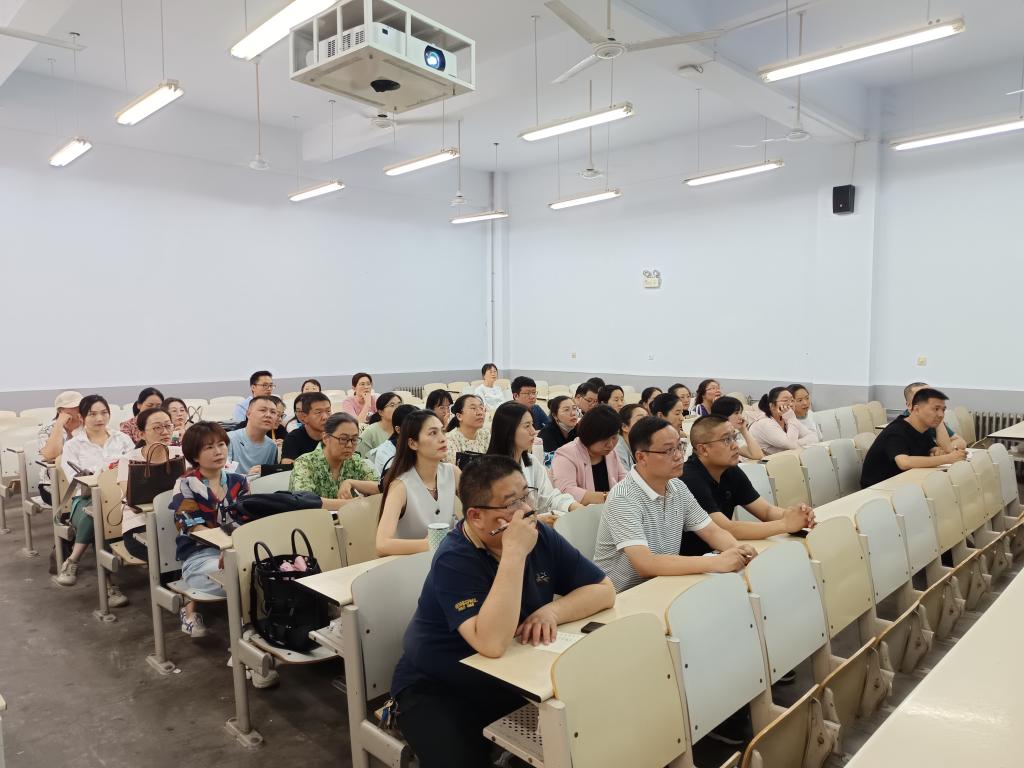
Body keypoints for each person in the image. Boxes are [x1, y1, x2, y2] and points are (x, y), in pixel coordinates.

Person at [390, 455, 615, 768]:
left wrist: (552, 611)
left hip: (510, 677)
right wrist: (513, 553)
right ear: (476, 516)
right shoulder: (455, 558)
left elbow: (604, 590)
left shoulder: (539, 534)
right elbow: (491, 643)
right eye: (512, 503)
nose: (526, 510)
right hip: (438, 686)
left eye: (526, 495)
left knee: (588, 736)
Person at [593, 416, 758, 592]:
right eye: (668, 451)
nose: (679, 456)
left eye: (679, 446)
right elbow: (645, 564)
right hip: (623, 595)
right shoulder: (623, 497)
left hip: (663, 584)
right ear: (641, 457)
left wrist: (737, 550)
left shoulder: (677, 487)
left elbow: (712, 531)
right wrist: (716, 562)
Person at [170, 423, 264, 658]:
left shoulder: (239, 481)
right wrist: (227, 547)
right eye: (209, 447)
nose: (218, 451)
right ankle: (245, 644)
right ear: (194, 456)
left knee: (261, 574)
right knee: (243, 577)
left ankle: (253, 639)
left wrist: (234, 550)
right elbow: (192, 525)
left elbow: (246, 521)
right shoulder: (185, 483)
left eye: (221, 444)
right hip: (199, 558)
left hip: (235, 553)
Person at [680, 416, 814, 555]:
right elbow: (726, 528)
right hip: (694, 560)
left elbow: (766, 511)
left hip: (723, 553)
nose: (735, 446)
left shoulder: (730, 470)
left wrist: (797, 516)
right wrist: (785, 524)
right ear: (703, 450)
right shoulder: (689, 479)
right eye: (726, 440)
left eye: (734, 437)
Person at [54, 395, 135, 606]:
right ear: (81, 417)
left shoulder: (122, 439)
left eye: (104, 413)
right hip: (85, 499)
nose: (99, 418)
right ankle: (108, 585)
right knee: (98, 514)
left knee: (104, 513)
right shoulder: (73, 445)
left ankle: (73, 559)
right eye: (92, 414)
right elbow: (76, 482)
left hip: (121, 497)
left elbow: (134, 469)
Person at [376, 411, 460, 556]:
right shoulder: (400, 486)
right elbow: (382, 545)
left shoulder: (452, 472)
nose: (442, 439)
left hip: (447, 559)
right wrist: (435, 543)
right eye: (433, 433)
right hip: (412, 564)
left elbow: (480, 512)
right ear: (413, 443)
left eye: (442, 431)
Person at [486, 402, 579, 520]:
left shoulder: (531, 462)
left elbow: (549, 497)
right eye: (527, 426)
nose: (533, 431)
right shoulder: (489, 470)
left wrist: (572, 506)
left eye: (532, 425)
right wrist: (537, 520)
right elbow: (497, 517)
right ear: (508, 430)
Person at [861, 388, 966, 488]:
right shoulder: (896, 431)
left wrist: (936, 451)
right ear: (916, 409)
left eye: (943, 410)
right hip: (879, 487)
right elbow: (904, 462)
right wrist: (947, 458)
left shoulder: (923, 428)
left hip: (906, 481)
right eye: (936, 409)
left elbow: (932, 449)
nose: (941, 415)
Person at [115, 407, 183, 562]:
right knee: (169, 554)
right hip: (140, 524)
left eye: (168, 425)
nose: (165, 432)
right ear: (141, 434)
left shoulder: (180, 453)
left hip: (175, 519)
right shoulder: (129, 460)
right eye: (157, 427)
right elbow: (133, 501)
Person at [289, 413, 379, 510]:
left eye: (354, 439)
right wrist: (350, 503)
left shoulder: (355, 461)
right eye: (343, 439)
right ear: (326, 438)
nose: (349, 445)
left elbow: (380, 487)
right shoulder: (305, 462)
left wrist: (351, 482)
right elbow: (304, 500)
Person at [552, 405, 627, 505]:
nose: (610, 444)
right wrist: (609, 497)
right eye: (604, 439)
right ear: (589, 435)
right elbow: (566, 491)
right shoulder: (566, 454)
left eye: (614, 437)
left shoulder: (611, 454)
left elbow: (625, 481)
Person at [38, 390, 84, 505]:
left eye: (82, 405)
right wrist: (59, 424)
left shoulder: (88, 426)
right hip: (53, 485)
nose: (80, 409)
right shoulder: (47, 430)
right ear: (60, 411)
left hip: (84, 481)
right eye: (74, 406)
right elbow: (51, 455)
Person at [748, 387, 819, 455]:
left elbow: (814, 437)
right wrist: (791, 419)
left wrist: (796, 443)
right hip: (763, 462)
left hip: (784, 458)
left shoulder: (786, 418)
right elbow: (792, 445)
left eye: (792, 400)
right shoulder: (765, 423)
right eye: (785, 400)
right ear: (772, 406)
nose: (791, 404)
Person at [902, 382, 967, 450]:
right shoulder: (904, 425)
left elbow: (961, 442)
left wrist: (946, 449)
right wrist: (945, 449)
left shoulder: (932, 417)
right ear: (909, 405)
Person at [227, 395, 279, 474]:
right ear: (248, 414)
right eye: (263, 410)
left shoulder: (272, 446)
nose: (268, 415)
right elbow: (223, 475)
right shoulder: (228, 439)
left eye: (273, 412)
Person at [368, 404, 418, 477]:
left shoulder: (422, 444)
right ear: (398, 429)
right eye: (413, 427)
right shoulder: (385, 451)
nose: (417, 430)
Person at [281, 392, 331, 463]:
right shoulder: (293, 438)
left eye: (328, 411)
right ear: (304, 417)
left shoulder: (336, 435)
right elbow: (287, 465)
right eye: (318, 412)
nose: (325, 417)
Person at [710, 396, 764, 461]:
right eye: (736, 413)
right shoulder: (713, 438)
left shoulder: (732, 436)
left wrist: (744, 430)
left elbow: (758, 456)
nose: (741, 417)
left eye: (740, 413)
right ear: (723, 415)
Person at [444, 394, 490, 464]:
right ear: (459, 416)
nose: (480, 413)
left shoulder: (485, 434)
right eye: (473, 408)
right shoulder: (449, 440)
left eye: (481, 408)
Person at [356, 392, 403, 458]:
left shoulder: (404, 427)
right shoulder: (370, 432)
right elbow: (360, 458)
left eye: (400, 404)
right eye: (392, 405)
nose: (398, 408)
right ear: (381, 412)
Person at [614, 403, 647, 472]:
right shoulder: (617, 450)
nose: (647, 423)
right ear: (624, 427)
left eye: (648, 419)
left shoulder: (646, 445)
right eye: (640, 420)